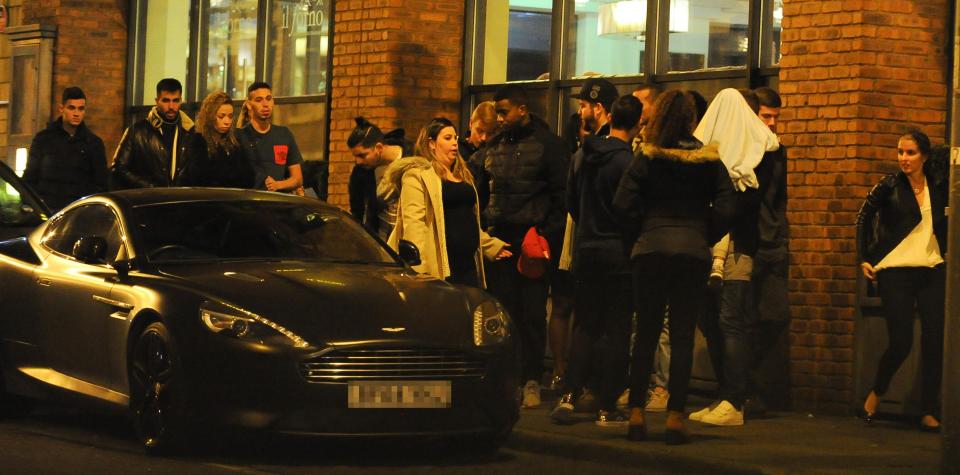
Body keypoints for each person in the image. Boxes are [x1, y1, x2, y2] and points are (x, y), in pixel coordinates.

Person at [614, 90, 736, 444]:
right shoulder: (707, 158)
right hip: (692, 251)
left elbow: (622, 203)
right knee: (682, 336)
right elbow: (729, 205)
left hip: (650, 249)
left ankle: (636, 413)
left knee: (646, 334)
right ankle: (674, 418)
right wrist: (703, 231)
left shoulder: (646, 156)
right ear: (690, 118)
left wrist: (641, 232)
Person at [687, 88, 781, 427]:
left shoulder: (761, 152)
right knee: (711, 322)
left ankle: (735, 399)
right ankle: (725, 393)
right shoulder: (714, 154)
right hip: (709, 244)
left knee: (730, 320)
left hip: (738, 246)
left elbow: (755, 202)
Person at [473, 84, 570, 408]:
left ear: (522, 109)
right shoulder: (494, 147)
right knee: (506, 313)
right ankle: (513, 378)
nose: (499, 118)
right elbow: (483, 193)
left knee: (531, 314)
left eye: (504, 112)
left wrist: (544, 235)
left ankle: (531, 378)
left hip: (531, 240)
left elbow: (561, 197)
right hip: (501, 240)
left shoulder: (547, 146)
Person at [552, 95, 642, 426]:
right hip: (618, 250)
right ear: (636, 124)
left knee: (585, 324)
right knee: (617, 328)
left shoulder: (581, 155)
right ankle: (607, 405)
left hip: (587, 248)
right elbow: (632, 209)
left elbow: (572, 203)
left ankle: (569, 395)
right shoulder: (629, 161)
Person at [857, 129, 947, 432]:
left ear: (924, 156)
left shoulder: (938, 185)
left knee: (935, 339)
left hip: (931, 268)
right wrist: (865, 256)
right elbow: (864, 217)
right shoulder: (890, 185)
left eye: (910, 153)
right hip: (895, 270)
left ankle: (928, 409)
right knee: (902, 341)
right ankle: (876, 392)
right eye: (900, 152)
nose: (904, 159)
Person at [383, 117, 512, 286]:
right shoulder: (418, 175)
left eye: (455, 138)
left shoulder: (462, 174)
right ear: (431, 143)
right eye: (447, 138)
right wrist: (419, 268)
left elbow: (468, 219)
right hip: (441, 264)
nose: (455, 143)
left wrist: (490, 245)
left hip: (467, 264)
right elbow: (414, 223)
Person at [23, 87, 107, 210]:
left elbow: (101, 183)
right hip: (47, 209)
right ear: (62, 109)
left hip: (77, 212)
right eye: (71, 108)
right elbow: (31, 176)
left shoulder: (93, 143)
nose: (76, 113)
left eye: (81, 109)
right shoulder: (44, 139)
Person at [111, 78, 194, 189]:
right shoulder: (137, 131)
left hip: (179, 201)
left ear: (181, 101)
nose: (171, 106)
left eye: (175, 101)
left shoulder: (190, 132)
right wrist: (150, 188)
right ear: (157, 101)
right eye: (166, 100)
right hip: (148, 200)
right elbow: (119, 169)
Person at [237, 82, 303, 194]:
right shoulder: (241, 136)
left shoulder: (284, 134)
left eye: (268, 99)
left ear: (273, 101)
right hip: (249, 204)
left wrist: (278, 185)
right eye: (259, 100)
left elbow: (298, 179)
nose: (265, 104)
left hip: (277, 204)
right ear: (249, 105)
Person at [347, 117, 407, 240]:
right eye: (355, 156)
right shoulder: (361, 171)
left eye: (362, 155)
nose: (358, 161)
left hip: (408, 237)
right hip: (380, 241)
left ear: (379, 148)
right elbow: (357, 211)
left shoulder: (411, 158)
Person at [179, 91, 254, 188]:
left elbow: (249, 178)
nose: (227, 122)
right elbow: (198, 178)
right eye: (221, 116)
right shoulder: (196, 139)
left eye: (230, 116)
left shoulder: (234, 142)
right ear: (210, 116)